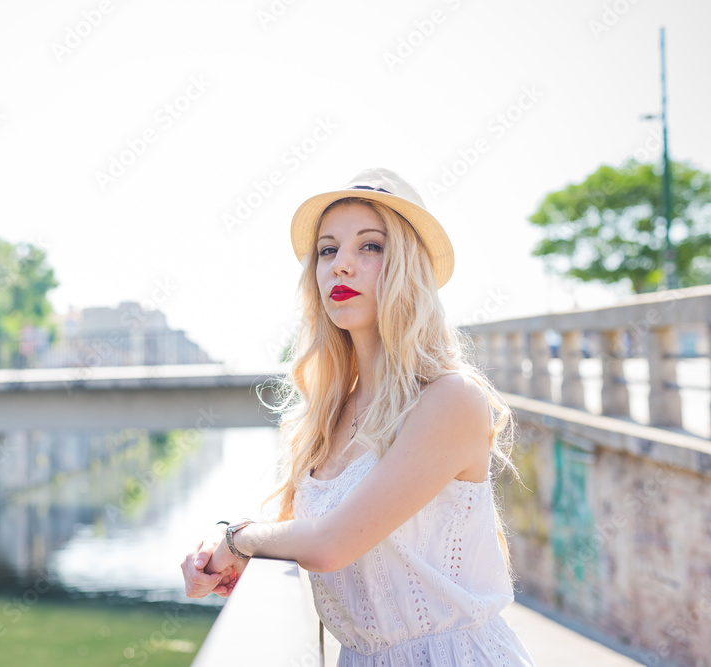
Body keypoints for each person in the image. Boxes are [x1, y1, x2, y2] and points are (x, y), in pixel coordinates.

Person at [180, 168, 535, 665]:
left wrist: (237, 537)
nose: (340, 266)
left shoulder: (449, 398)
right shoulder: (329, 410)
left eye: (370, 246)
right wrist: (234, 546)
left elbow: (328, 544)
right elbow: (304, 534)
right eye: (328, 250)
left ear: (410, 267)